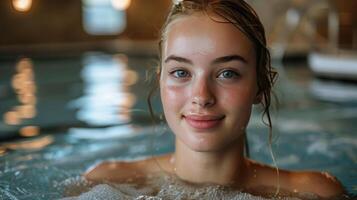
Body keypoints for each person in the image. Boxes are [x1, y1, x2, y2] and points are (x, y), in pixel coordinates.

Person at [85, 0, 345, 198]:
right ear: (160, 80)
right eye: (180, 72)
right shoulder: (106, 184)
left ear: (260, 85)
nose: (201, 96)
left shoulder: (315, 193)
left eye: (227, 73)